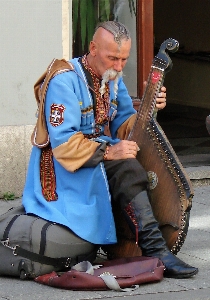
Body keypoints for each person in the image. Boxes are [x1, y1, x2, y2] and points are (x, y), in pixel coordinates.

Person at [22, 21, 198, 279]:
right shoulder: (64, 80)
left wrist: (150, 105)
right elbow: (64, 145)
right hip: (65, 169)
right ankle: (156, 250)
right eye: (112, 58)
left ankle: (140, 242)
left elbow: (127, 126)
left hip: (95, 156)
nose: (118, 66)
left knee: (134, 155)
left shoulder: (112, 79)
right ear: (93, 48)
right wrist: (108, 153)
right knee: (125, 164)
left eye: (124, 59)